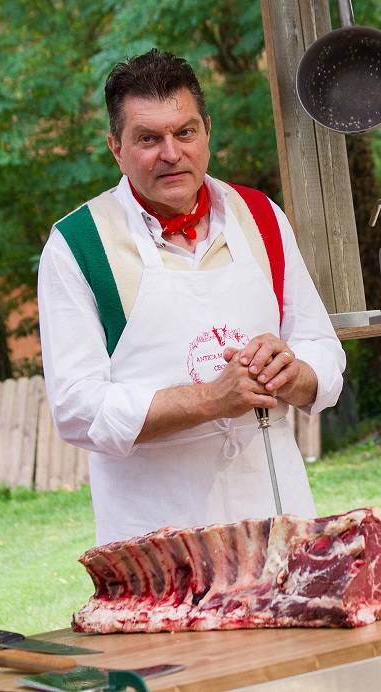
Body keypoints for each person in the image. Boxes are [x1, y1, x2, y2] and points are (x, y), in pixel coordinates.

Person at [37, 49, 345, 545]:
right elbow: (77, 408)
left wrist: (295, 373)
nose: (171, 153)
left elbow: (321, 347)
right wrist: (209, 400)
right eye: (148, 139)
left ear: (207, 131)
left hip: (278, 519)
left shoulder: (261, 216)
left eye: (184, 132)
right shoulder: (78, 245)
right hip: (158, 541)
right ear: (116, 148)